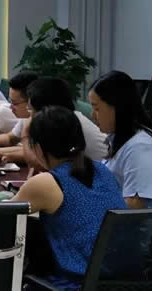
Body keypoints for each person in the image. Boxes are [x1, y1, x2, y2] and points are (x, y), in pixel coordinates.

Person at [12, 106, 126, 289]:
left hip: (76, 283)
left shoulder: (46, 182)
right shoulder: (102, 170)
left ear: (39, 149)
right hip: (121, 281)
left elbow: (0, 219)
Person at [89, 71, 152, 209]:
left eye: (96, 108)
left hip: (144, 222)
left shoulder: (141, 147)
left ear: (117, 107)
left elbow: (134, 205)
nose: (92, 115)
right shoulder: (118, 137)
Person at [0, 77, 108, 165]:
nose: (30, 113)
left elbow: (38, 162)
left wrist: (25, 133)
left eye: (31, 109)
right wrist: (8, 156)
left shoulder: (64, 124)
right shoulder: (63, 118)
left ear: (45, 109)